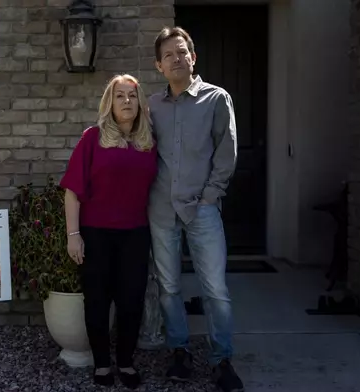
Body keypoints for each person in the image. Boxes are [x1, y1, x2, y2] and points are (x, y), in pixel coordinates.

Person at [147, 26, 245, 392]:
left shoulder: (217, 98)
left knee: (215, 289)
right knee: (169, 287)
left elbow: (226, 152)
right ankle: (180, 353)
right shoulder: (152, 105)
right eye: (168, 54)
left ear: (193, 57)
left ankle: (222, 360)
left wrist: (210, 195)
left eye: (182, 51)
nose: (176, 58)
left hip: (202, 208)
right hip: (160, 209)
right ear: (159, 65)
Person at [60, 74, 158, 389]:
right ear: (110, 102)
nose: (127, 101)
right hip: (97, 233)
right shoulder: (93, 138)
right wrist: (73, 235)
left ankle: (126, 362)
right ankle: (103, 363)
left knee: (132, 301)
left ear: (140, 102)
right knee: (98, 301)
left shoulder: (149, 142)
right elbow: (72, 190)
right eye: (120, 96)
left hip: (135, 234)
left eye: (132, 95)